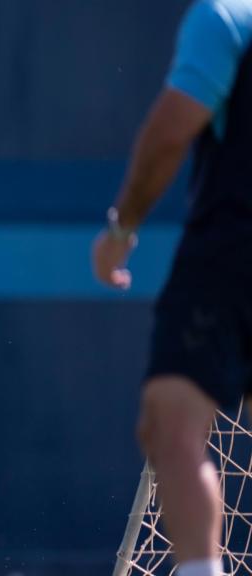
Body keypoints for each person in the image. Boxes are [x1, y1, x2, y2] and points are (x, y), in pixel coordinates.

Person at [92, 2, 252, 575]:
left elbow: (169, 132)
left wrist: (121, 228)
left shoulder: (228, 18)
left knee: (173, 423)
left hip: (233, 249)